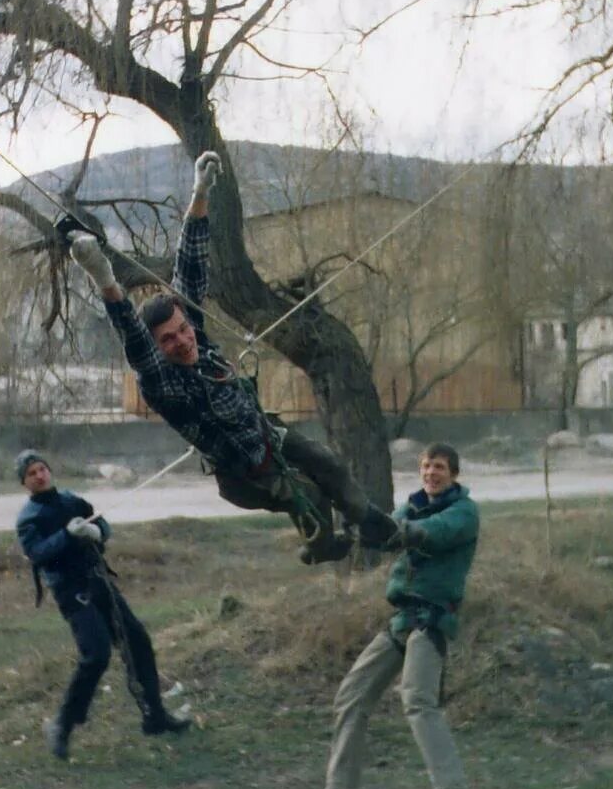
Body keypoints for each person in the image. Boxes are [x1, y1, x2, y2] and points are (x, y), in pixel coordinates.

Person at [68, 150, 402, 564]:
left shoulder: (196, 336)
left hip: (266, 434)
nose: (183, 341)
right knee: (311, 493)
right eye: (169, 340)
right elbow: (132, 337)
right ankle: (319, 546)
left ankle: (373, 526)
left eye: (183, 330)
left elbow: (190, 265)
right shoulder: (161, 383)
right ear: (159, 349)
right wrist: (103, 276)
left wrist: (200, 193)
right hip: (244, 473)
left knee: (327, 462)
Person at [295, 443, 485, 789]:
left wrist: (394, 531)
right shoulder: (412, 505)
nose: (431, 473)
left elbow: (429, 534)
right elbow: (383, 533)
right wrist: (342, 535)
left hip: (432, 619)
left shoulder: (464, 512)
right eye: (426, 466)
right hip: (402, 619)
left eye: (439, 467)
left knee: (417, 699)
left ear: (454, 474)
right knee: (352, 693)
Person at [13, 449, 190, 761]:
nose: (40, 475)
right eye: (32, 473)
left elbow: (102, 526)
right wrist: (67, 535)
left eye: (42, 468)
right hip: (71, 593)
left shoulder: (73, 500)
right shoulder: (29, 519)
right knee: (96, 656)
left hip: (100, 583)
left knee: (138, 641)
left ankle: (155, 716)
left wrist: (97, 531)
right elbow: (38, 554)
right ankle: (62, 725)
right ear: (24, 483)